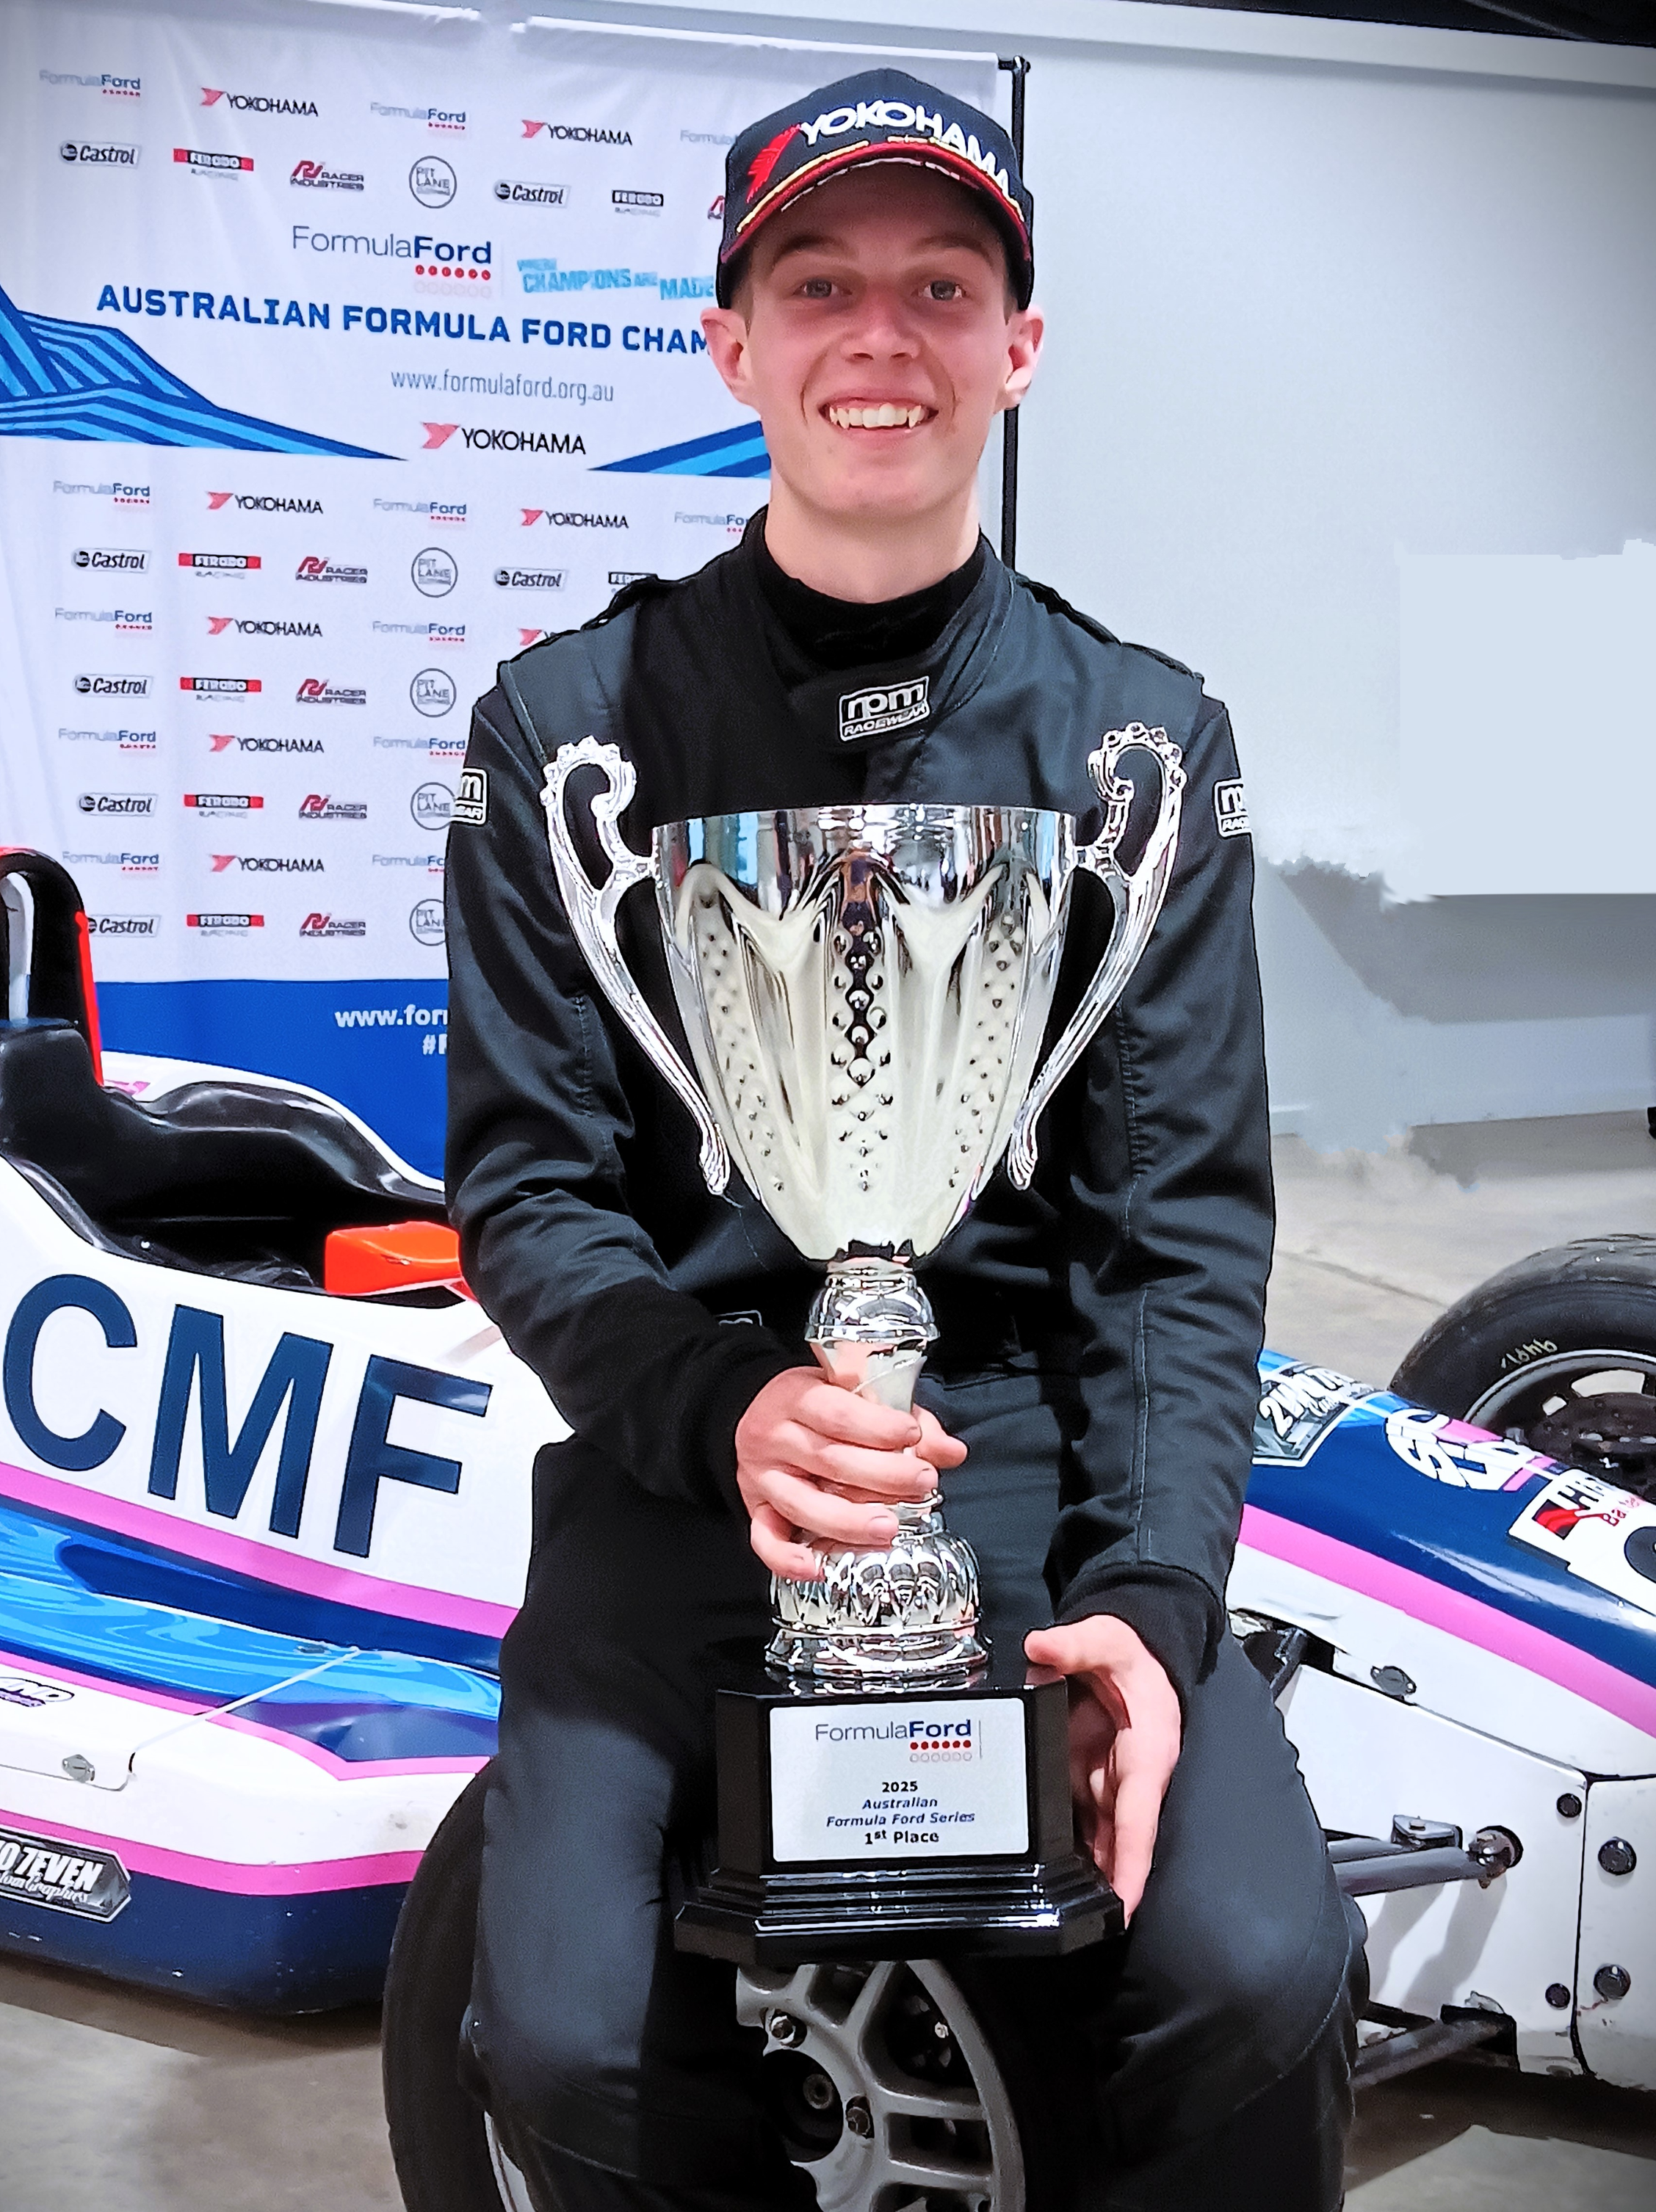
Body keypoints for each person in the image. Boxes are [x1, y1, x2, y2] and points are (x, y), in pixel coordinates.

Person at [444, 68, 1357, 2212]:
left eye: (940, 288)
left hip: (1032, 1456)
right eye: (819, 285)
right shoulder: (565, 730)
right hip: (696, 1475)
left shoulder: (1138, 740)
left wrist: (1145, 1594)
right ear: (730, 343)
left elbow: (1176, 1233)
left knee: (1252, 1965)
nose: (882, 337)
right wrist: (726, 1405)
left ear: (1014, 348)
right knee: (555, 2035)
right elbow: (529, 1189)